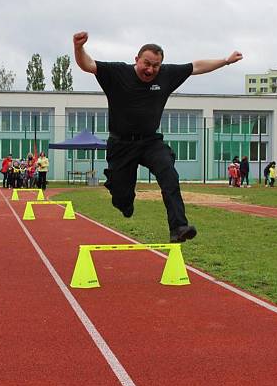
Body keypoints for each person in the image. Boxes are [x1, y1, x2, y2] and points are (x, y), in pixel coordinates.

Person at [74, 31, 243, 243]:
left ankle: (179, 227)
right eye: (147, 63)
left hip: (150, 142)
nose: (150, 70)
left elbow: (196, 67)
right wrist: (78, 47)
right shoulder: (117, 72)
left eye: (156, 66)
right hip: (121, 144)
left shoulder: (166, 75)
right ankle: (122, 198)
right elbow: (88, 64)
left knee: (169, 173)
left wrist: (226, 61)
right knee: (122, 200)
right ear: (136, 60)